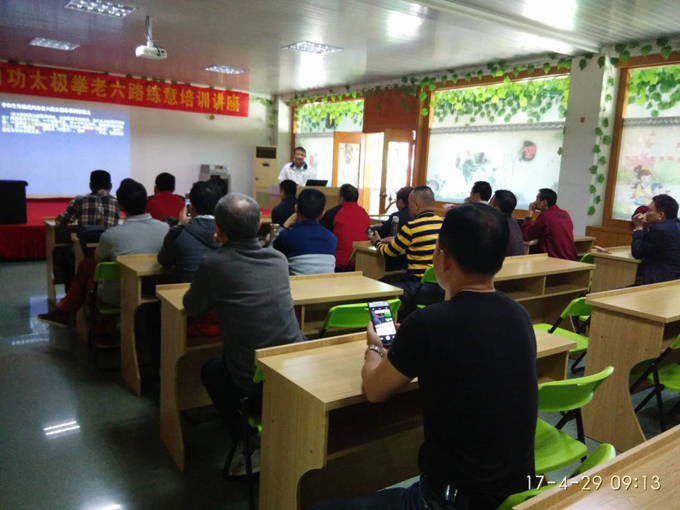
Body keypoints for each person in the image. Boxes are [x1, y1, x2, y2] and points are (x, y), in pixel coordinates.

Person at [313, 204, 538, 510]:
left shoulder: (429, 324)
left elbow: (375, 390)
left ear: (443, 259)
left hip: (448, 502)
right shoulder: (519, 314)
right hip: (515, 494)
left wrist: (374, 347)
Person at [185, 193, 305, 476]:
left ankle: (247, 440)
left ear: (218, 229)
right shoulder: (278, 260)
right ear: (258, 226)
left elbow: (192, 307)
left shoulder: (214, 264)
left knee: (211, 371)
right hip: (296, 372)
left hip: (257, 386)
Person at [37, 179, 169, 327]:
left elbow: (99, 259)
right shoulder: (166, 228)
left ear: (120, 206)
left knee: (88, 267)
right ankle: (69, 314)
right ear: (147, 201)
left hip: (119, 295)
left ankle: (71, 315)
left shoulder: (111, 235)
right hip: (155, 290)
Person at [370, 186, 443, 316]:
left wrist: (376, 242)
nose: (408, 207)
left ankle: (384, 326)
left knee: (378, 288)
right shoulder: (443, 224)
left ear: (416, 205)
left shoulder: (411, 227)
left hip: (419, 287)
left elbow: (388, 252)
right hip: (442, 286)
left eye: (409, 203)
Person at [157, 181, 221, 283]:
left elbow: (164, 261)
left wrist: (179, 225)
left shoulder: (179, 232)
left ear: (190, 206)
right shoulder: (228, 232)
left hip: (186, 291)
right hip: (220, 290)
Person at [273, 188, 337, 275]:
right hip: (327, 283)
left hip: (297, 284)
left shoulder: (286, 237)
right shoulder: (332, 238)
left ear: (296, 208)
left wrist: (286, 224)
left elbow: (270, 253)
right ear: (322, 215)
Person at [631, 194, 680, 285]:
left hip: (658, 281)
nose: (646, 213)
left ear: (661, 215)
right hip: (675, 280)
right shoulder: (675, 224)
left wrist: (638, 228)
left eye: (649, 210)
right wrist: (646, 227)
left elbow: (637, 252)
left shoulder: (660, 230)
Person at [321, 184, 370, 271]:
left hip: (339, 264)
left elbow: (321, 235)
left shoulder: (333, 213)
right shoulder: (364, 213)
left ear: (341, 198)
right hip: (361, 262)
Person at [521, 188, 578, 261]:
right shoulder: (565, 213)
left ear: (544, 202)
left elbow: (527, 235)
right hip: (572, 259)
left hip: (557, 260)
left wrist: (530, 213)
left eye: (537, 199)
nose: (534, 202)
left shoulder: (546, 216)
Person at [55, 169, 120, 229]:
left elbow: (60, 222)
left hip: (86, 237)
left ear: (90, 186)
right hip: (109, 238)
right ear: (110, 186)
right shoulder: (117, 203)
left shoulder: (79, 200)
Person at [377, 186, 413, 272]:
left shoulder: (396, 217)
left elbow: (381, 232)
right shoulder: (419, 218)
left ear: (400, 201)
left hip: (395, 261)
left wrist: (375, 239)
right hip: (409, 264)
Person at [489, 190, 524, 257]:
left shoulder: (496, 225)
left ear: (497, 208)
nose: (488, 205)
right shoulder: (514, 223)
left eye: (490, 202)